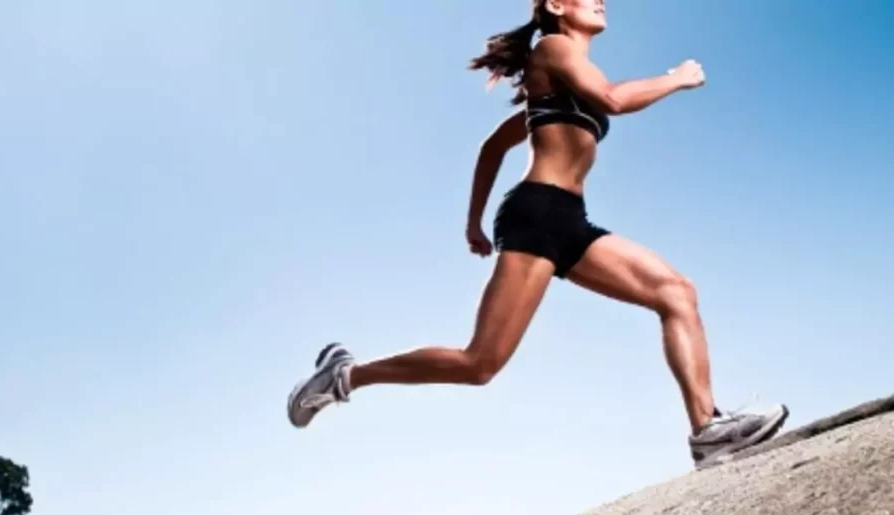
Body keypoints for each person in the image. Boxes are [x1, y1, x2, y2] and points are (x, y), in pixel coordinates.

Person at [286, 0, 788, 469]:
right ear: (556, 6)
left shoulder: (559, 78)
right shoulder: (553, 47)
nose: (601, 0)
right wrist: (675, 78)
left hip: (570, 219)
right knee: (480, 363)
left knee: (676, 293)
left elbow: (494, 145)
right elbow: (612, 99)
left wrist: (474, 223)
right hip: (536, 214)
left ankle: (707, 429)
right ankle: (345, 375)